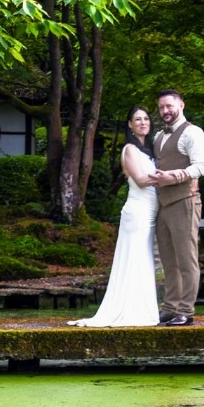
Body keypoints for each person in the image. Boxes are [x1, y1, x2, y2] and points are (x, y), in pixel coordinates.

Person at [68, 106, 159, 327]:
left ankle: (143, 308)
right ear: (130, 124)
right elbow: (139, 179)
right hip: (138, 211)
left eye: (146, 118)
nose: (143, 122)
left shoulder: (151, 149)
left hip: (150, 211)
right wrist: (172, 177)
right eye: (137, 119)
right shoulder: (130, 149)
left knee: (145, 260)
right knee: (135, 258)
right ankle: (131, 310)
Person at [149, 90, 204, 327]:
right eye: (162, 107)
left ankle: (186, 311)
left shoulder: (193, 133)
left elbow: (202, 167)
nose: (165, 111)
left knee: (186, 259)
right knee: (168, 261)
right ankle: (170, 308)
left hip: (185, 201)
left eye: (170, 106)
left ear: (181, 105)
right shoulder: (158, 137)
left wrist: (174, 176)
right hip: (163, 205)